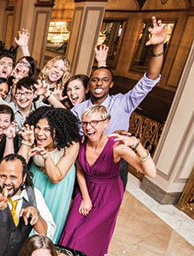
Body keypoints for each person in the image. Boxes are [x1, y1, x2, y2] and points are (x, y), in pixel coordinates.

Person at [71, 16, 167, 187]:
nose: (99, 83)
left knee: (110, 202)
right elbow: (75, 139)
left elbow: (150, 79)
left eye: (104, 80)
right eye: (94, 80)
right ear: (88, 85)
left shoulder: (124, 103)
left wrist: (158, 46)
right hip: (88, 163)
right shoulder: (78, 110)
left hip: (117, 162)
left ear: (111, 84)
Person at [59, 105, 156, 256]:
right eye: (85, 123)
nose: (88, 127)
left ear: (106, 123)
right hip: (86, 190)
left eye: (94, 122)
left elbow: (151, 172)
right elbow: (80, 170)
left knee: (84, 235)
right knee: (70, 229)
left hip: (109, 195)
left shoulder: (117, 147)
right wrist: (85, 198)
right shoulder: (81, 142)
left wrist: (137, 145)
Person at [18, 107, 81, 242]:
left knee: (47, 223)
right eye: (38, 128)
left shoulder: (71, 144)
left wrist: (47, 158)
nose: (40, 133)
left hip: (58, 186)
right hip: (36, 179)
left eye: (47, 129)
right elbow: (18, 167)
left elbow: (56, 177)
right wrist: (26, 143)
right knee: (28, 218)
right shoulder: (34, 137)